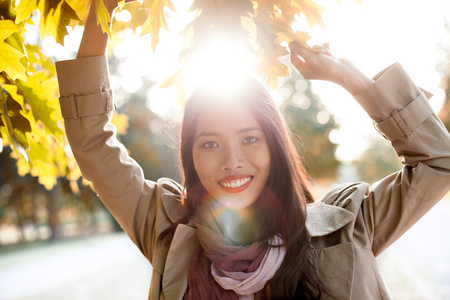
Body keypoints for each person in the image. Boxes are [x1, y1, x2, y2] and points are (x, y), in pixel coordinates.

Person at [55, 1, 450, 299]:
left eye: (249, 138)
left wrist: (348, 77)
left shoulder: (349, 225)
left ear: (274, 145)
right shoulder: (166, 230)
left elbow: (438, 162)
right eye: (209, 143)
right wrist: (101, 13)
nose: (231, 162)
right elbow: (92, 142)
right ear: (189, 156)